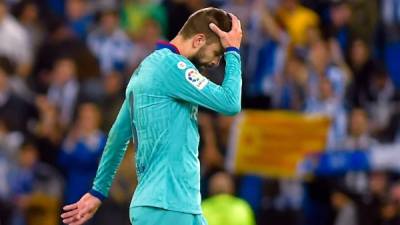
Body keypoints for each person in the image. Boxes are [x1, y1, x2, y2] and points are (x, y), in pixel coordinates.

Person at [61, 7, 243, 225]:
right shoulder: (172, 66)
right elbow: (230, 103)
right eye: (217, 53)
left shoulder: (146, 68)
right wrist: (233, 52)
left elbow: (118, 136)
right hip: (168, 204)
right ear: (198, 40)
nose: (216, 62)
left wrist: (98, 191)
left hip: (170, 205)